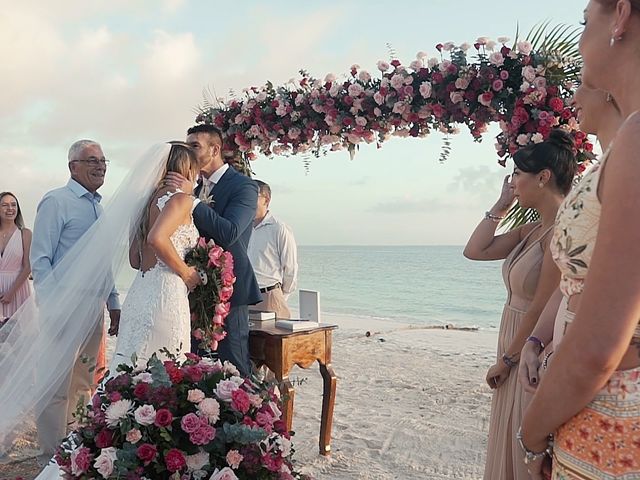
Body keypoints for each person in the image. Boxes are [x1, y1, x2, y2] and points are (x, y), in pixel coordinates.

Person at [521, 1, 640, 478]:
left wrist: (531, 433)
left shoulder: (637, 139)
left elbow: (598, 345)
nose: (581, 35)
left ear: (622, 17)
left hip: (611, 416)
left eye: (584, 20)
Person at [463, 129, 577, 480]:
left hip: (530, 345)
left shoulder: (561, 231)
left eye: (517, 175)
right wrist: (500, 207)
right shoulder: (532, 229)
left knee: (522, 434)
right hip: (512, 333)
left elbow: (542, 305)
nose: (513, 183)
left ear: (542, 178)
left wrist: (509, 359)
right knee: (507, 427)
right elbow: (475, 250)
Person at [518, 84, 622, 396]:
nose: (573, 97)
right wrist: (535, 342)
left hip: (592, 376)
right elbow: (571, 283)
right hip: (559, 358)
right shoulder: (597, 174)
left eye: (585, 83)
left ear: (608, 88)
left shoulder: (625, 170)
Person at [29, 140, 122, 463]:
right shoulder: (57, 201)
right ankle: (49, 453)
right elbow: (40, 260)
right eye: (92, 160)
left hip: (93, 307)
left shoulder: (99, 207)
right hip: (63, 304)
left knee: (84, 379)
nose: (100, 166)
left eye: (103, 160)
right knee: (55, 380)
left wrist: (114, 302)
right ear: (73, 166)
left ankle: (72, 447)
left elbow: (103, 261)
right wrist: (53, 306)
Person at [167, 124, 261, 377]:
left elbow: (230, 232)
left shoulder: (243, 187)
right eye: (187, 146)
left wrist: (193, 201)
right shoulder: (193, 188)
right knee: (198, 366)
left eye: (195, 146)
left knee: (234, 366)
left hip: (229, 289)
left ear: (215, 149)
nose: (189, 151)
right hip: (195, 288)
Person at [109, 142, 201, 369]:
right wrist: (187, 272)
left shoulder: (142, 203)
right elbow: (156, 238)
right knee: (168, 369)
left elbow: (134, 260)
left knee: (128, 370)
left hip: (139, 292)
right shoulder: (181, 200)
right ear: (186, 169)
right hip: (167, 294)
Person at [248, 180, 298, 319]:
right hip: (245, 297)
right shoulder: (243, 228)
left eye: (254, 196)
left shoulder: (279, 228)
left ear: (266, 200)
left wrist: (281, 297)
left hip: (270, 296)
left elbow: (290, 268)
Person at [0, 192, 32, 322]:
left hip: (17, 290)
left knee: (17, 335)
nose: (10, 209)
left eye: (13, 205)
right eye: (5, 205)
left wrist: (11, 293)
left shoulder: (25, 234)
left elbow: (28, 266)